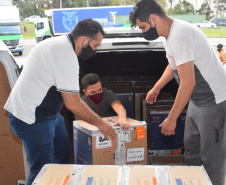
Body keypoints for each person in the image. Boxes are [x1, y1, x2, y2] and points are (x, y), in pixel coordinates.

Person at [4, 19, 117, 185]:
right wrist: (101, 124)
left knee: (63, 154)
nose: (96, 49)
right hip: (32, 118)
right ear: (84, 39)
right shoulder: (65, 54)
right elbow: (73, 103)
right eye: (96, 45)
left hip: (50, 115)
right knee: (42, 171)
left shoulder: (60, 45)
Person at [129, 1, 226, 184]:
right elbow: (174, 65)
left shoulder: (180, 35)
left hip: (213, 101)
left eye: (142, 27)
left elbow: (188, 83)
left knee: (212, 160)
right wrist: (156, 88)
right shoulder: (170, 36)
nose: (143, 32)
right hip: (197, 101)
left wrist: (172, 118)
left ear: (153, 18)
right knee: (191, 153)